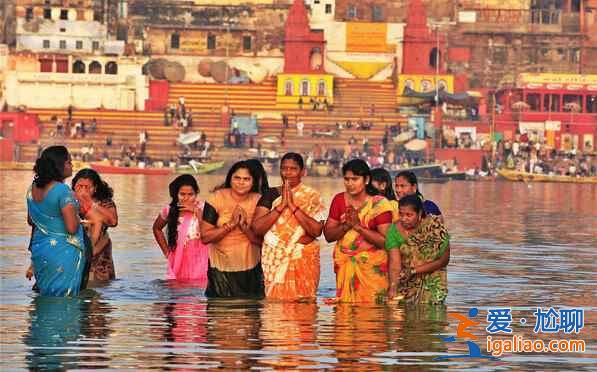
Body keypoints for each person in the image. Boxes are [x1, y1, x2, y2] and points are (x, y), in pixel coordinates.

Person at [252, 153, 325, 301]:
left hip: (301, 257)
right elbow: (257, 228)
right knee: (275, 305)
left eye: (293, 169)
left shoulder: (312, 196)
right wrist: (281, 207)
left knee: (303, 305)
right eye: (284, 168)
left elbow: (316, 230)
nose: (288, 172)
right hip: (274, 257)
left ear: (302, 171)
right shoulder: (271, 194)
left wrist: (292, 206)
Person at [323, 159, 393, 303]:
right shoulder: (339, 200)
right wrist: (346, 226)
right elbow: (328, 236)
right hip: (345, 265)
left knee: (372, 317)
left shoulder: (379, 204)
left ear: (366, 179)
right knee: (345, 316)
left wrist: (358, 227)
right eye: (347, 179)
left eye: (355, 179)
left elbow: (386, 242)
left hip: (372, 271)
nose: (350, 183)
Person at [26, 146, 86, 296]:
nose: (71, 165)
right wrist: (82, 220)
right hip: (63, 251)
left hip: (40, 250)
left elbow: (31, 220)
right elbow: (71, 228)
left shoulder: (31, 189)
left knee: (45, 297)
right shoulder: (62, 190)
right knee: (65, 301)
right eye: (68, 162)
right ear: (59, 165)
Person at [200, 161, 264, 298]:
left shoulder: (260, 201)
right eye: (237, 178)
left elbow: (264, 241)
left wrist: (244, 228)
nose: (241, 182)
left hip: (250, 269)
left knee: (249, 315)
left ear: (253, 181)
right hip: (220, 270)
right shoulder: (216, 198)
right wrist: (230, 225)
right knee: (221, 314)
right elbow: (205, 237)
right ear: (230, 178)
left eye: (246, 179)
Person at [386, 194, 450, 304]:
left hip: (433, 282)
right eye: (401, 214)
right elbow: (395, 264)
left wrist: (414, 271)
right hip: (407, 282)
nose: (404, 219)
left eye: (409, 215)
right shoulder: (393, 230)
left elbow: (443, 261)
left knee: (431, 317)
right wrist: (393, 287)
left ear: (419, 213)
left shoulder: (434, 228)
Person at [152, 175, 209, 281]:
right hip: (179, 259)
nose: (186, 198)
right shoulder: (169, 210)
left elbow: (208, 232)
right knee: (178, 290)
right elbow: (156, 229)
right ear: (176, 194)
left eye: (190, 194)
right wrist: (167, 253)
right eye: (182, 194)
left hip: (201, 260)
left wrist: (196, 212)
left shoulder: (203, 208)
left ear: (196, 193)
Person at [72, 169, 118, 283]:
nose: (83, 190)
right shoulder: (68, 200)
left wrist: (92, 204)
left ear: (95, 188)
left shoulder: (104, 202)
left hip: (100, 252)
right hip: (76, 250)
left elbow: (113, 221)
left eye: (87, 187)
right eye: (79, 186)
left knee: (99, 289)